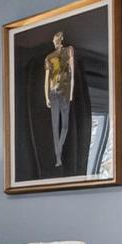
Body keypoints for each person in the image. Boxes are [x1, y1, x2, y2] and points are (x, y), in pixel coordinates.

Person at [43, 31, 75, 169]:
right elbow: (46, 79)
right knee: (55, 126)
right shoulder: (48, 57)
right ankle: (58, 157)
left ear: (60, 40)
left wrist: (72, 92)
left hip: (65, 92)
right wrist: (46, 97)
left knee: (65, 125)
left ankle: (59, 147)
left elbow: (72, 73)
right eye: (53, 40)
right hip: (53, 92)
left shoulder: (69, 51)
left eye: (56, 40)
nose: (54, 42)